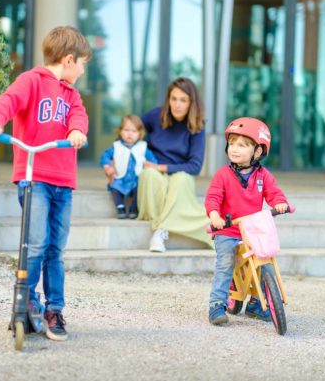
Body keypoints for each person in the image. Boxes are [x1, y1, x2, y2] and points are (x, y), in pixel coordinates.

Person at [0, 26, 91, 341]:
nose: (82, 70)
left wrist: (76, 131)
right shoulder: (31, 81)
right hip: (34, 179)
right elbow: (9, 101)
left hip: (63, 182)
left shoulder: (72, 95)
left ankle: (55, 308)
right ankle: (25, 301)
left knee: (56, 248)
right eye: (82, 63)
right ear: (69, 60)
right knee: (36, 243)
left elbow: (79, 118)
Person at [204, 117, 290, 326]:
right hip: (228, 230)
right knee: (226, 263)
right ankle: (217, 304)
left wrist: (280, 203)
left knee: (263, 259)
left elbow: (274, 193)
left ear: (258, 152)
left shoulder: (263, 175)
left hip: (252, 230)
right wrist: (215, 215)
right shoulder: (223, 175)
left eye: (242, 145)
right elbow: (213, 198)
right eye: (232, 143)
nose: (234, 149)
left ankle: (255, 304)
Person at [137, 77, 213, 252]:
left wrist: (162, 168)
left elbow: (194, 166)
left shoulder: (197, 126)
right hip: (154, 172)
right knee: (150, 175)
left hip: (179, 173)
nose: (177, 104)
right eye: (174, 99)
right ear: (168, 99)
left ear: (191, 103)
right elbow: (129, 134)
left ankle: (159, 230)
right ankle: (162, 228)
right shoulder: (155, 116)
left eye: (183, 100)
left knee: (180, 180)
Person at [100, 114, 157, 219]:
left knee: (139, 189)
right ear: (120, 131)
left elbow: (153, 160)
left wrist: (151, 165)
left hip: (136, 178)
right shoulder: (116, 146)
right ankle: (120, 207)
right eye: (126, 130)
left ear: (140, 134)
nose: (130, 134)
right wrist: (108, 167)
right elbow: (105, 155)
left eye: (134, 131)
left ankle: (133, 208)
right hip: (120, 177)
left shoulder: (143, 147)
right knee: (115, 188)